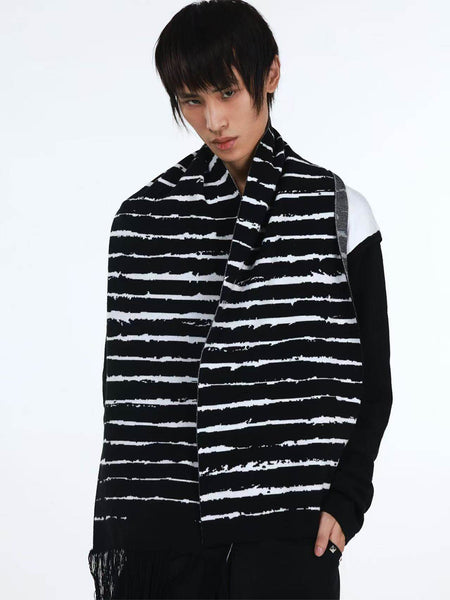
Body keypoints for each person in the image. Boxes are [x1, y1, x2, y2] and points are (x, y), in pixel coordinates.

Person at [88, 1, 393, 598]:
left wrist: (346, 501)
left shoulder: (337, 212)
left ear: (270, 74)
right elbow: (126, 390)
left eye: (227, 92)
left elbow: (373, 380)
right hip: (164, 536)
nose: (213, 120)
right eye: (191, 100)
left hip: (289, 526)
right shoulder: (142, 220)